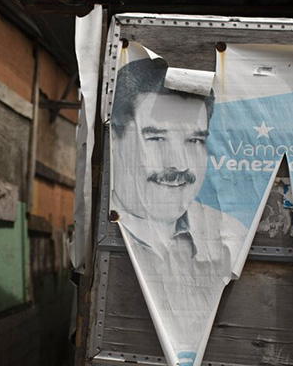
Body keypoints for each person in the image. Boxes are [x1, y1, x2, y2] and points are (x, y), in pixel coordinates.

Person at [109, 57, 248, 365]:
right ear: (115, 140)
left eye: (194, 140)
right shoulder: (104, 228)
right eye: (156, 138)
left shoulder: (231, 233)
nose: (180, 163)